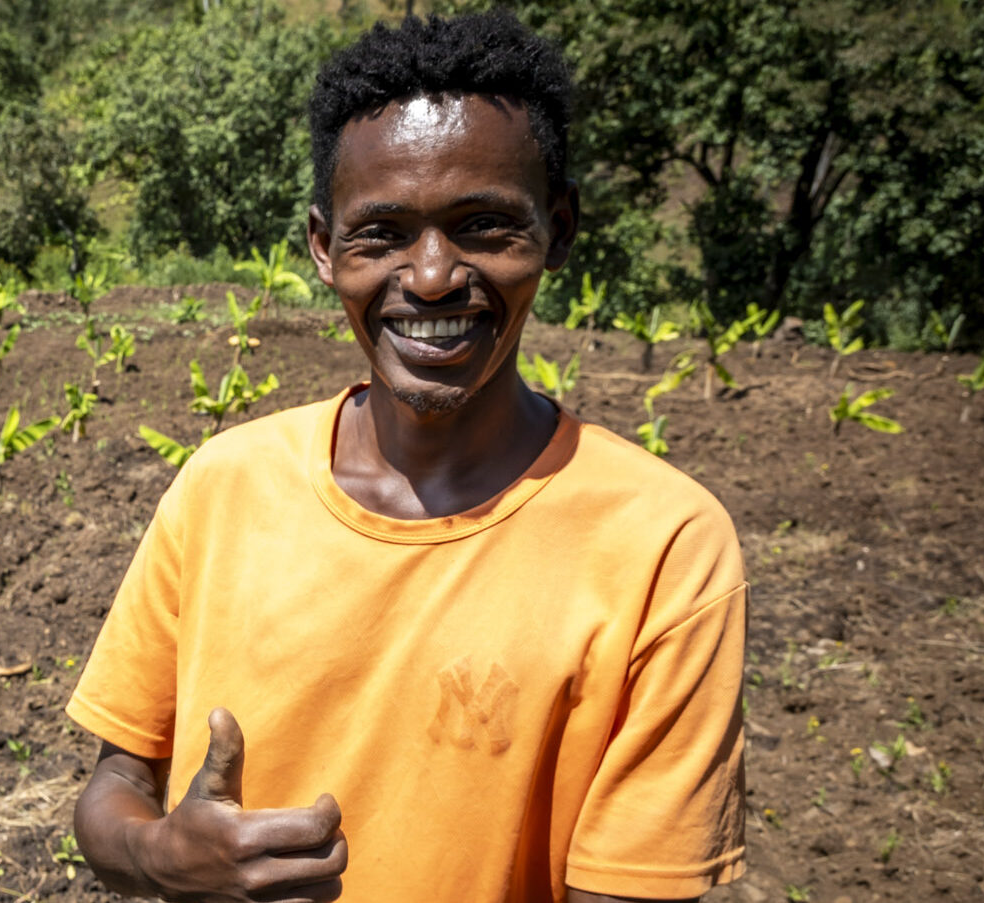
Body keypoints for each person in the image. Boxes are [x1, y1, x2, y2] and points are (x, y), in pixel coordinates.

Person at [65, 11, 748, 903]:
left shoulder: (664, 546)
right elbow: (115, 790)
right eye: (382, 233)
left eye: (484, 226)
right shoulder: (223, 487)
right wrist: (162, 856)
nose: (431, 276)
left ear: (560, 228)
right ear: (323, 248)